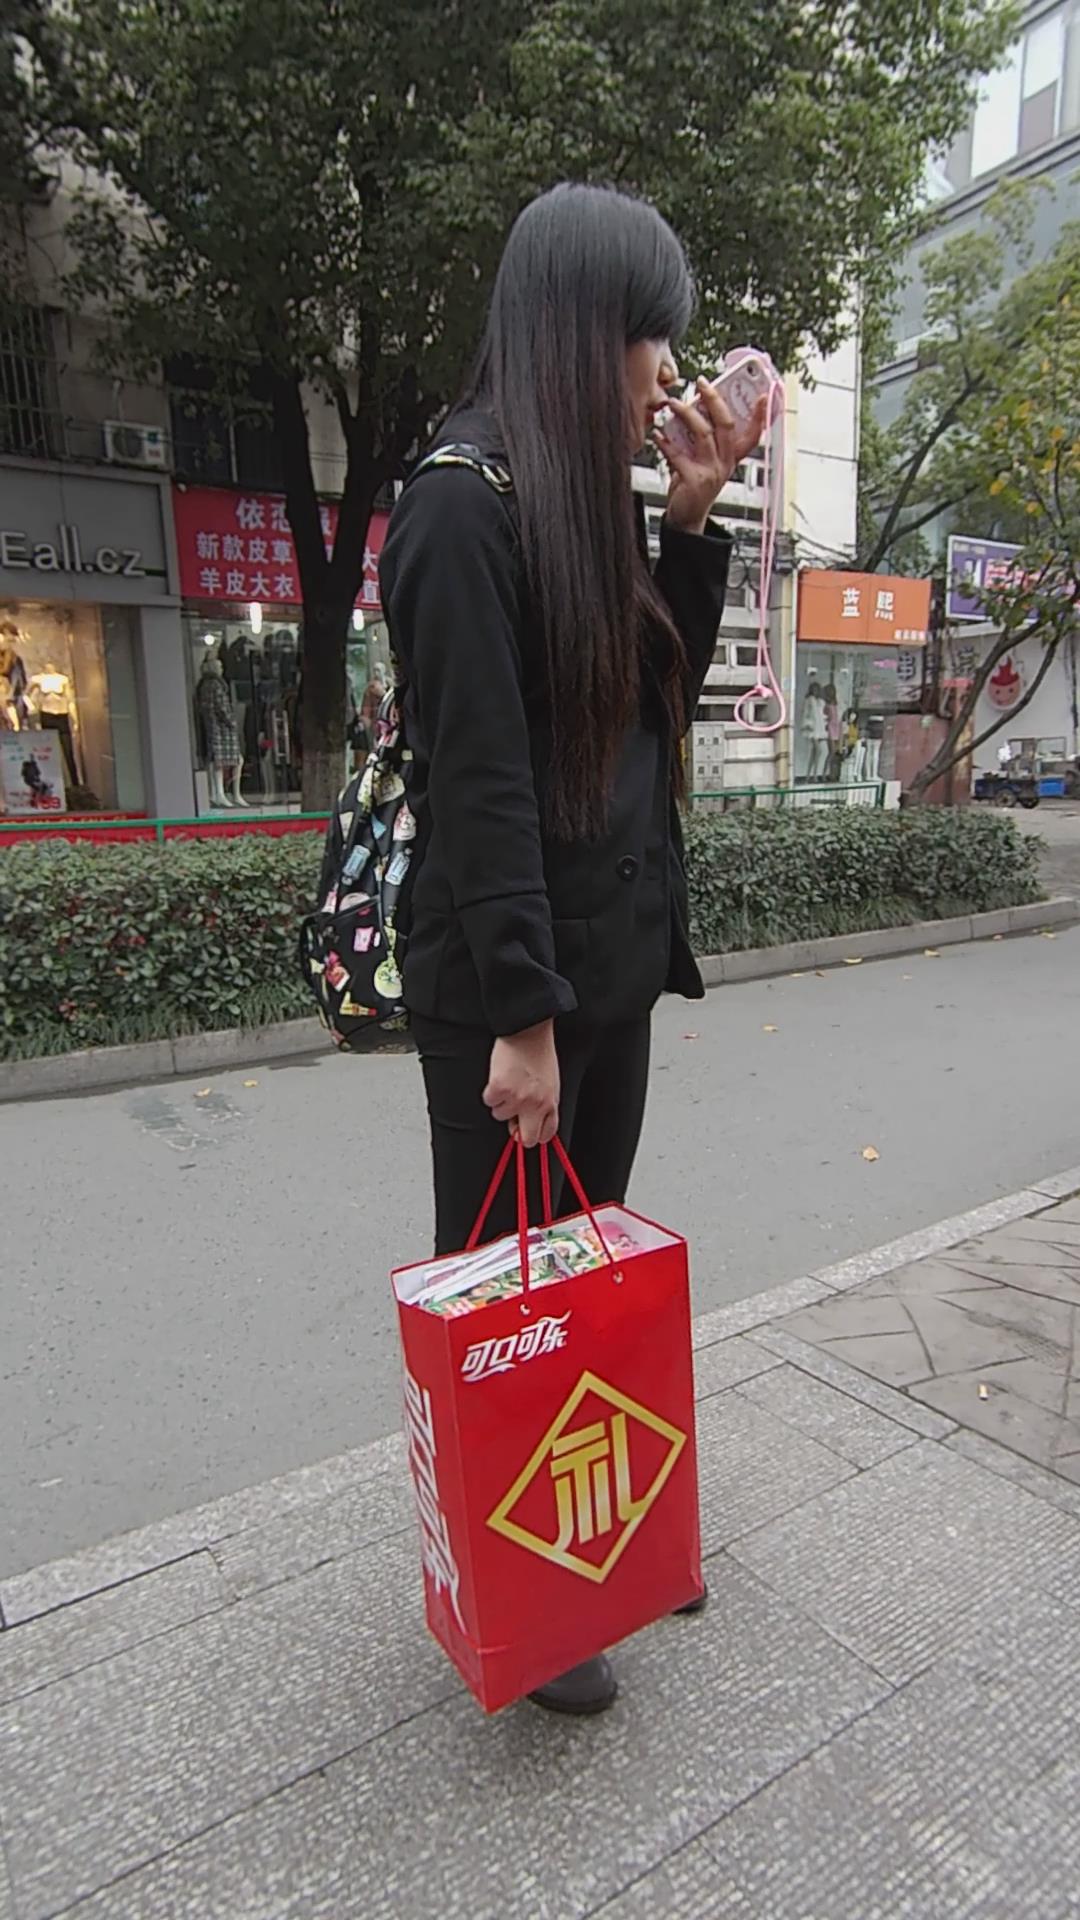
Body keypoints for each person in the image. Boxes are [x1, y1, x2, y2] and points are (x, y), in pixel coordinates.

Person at [379, 183, 767, 1716]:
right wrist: (526, 1020)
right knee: (508, 1296)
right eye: (646, 338)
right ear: (578, 332)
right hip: (511, 995)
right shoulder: (457, 506)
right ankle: (533, 1598)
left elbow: (643, 720)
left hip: (608, 963)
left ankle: (600, 1537)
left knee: (585, 1260)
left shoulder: (578, 499)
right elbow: (476, 781)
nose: (663, 373)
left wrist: (689, 525)